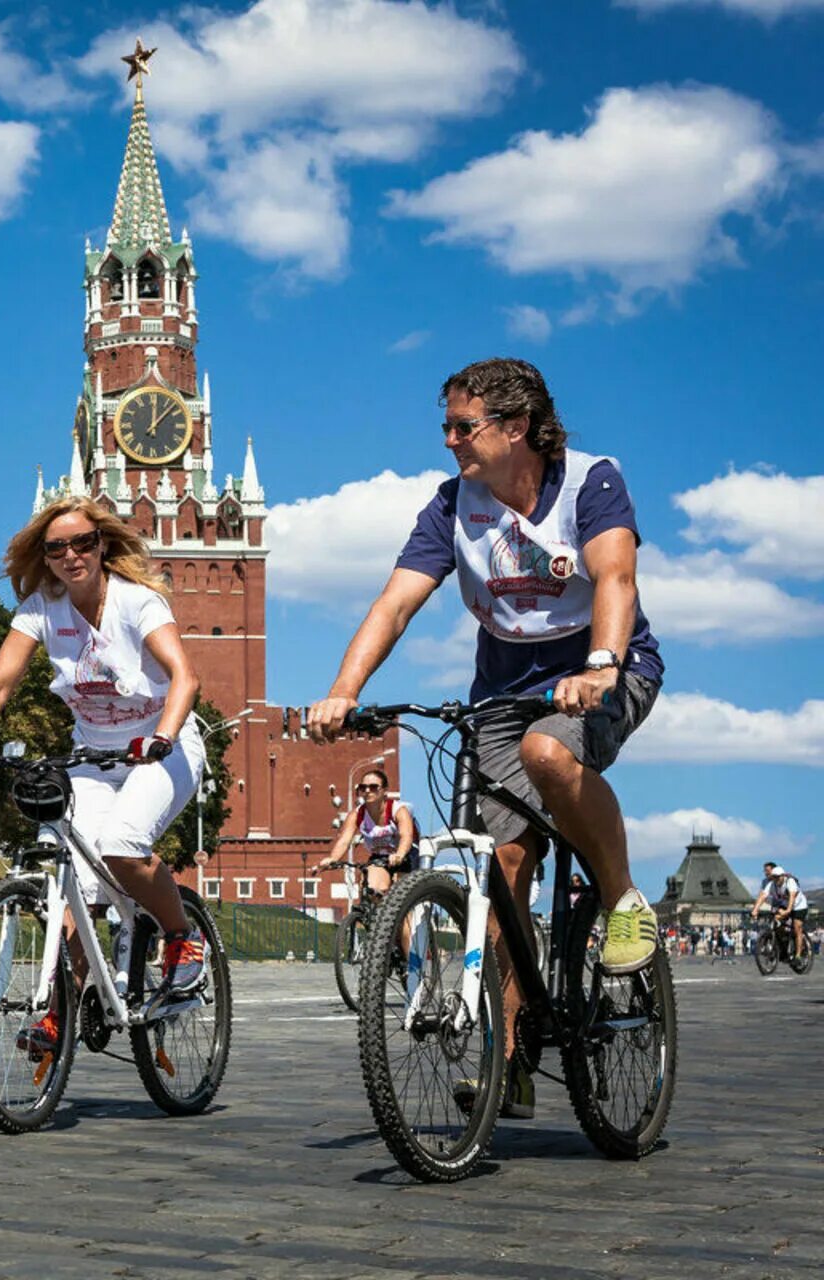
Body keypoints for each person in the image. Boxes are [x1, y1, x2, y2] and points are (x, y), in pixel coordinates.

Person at [307, 357, 666, 1123]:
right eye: (446, 426)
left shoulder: (590, 481)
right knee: (500, 870)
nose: (449, 442)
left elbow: (616, 579)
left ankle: (623, 899)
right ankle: (512, 1057)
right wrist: (345, 690)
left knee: (549, 751)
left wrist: (600, 665)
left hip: (606, 666)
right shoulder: (452, 505)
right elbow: (395, 603)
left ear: (518, 428)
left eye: (462, 427)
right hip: (502, 691)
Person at [0, 494, 210, 1058]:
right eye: (56, 547)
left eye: (82, 542)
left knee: (121, 845)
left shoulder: (139, 602)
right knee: (73, 886)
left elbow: (185, 678)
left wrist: (161, 736)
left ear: (102, 545)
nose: (71, 555)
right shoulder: (43, 607)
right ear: (45, 557)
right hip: (92, 754)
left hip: (162, 745)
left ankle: (183, 937)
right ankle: (57, 1013)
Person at [311, 769, 414, 900]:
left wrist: (399, 854)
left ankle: (404, 919)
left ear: (384, 790)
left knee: (401, 900)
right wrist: (333, 858)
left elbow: (406, 836)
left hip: (405, 855)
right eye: (363, 787)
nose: (367, 791)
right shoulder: (357, 814)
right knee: (371, 891)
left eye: (373, 787)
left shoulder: (398, 810)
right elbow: (344, 840)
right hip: (380, 857)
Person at [752, 862, 809, 961]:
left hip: (799, 906)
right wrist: (755, 910)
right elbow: (762, 897)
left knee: (797, 927)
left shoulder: (790, 882)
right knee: (776, 923)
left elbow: (792, 897)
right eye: (774, 877)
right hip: (785, 905)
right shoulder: (771, 884)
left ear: (783, 876)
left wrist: (788, 910)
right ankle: (783, 946)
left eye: (778, 877)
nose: (776, 879)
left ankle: (799, 955)